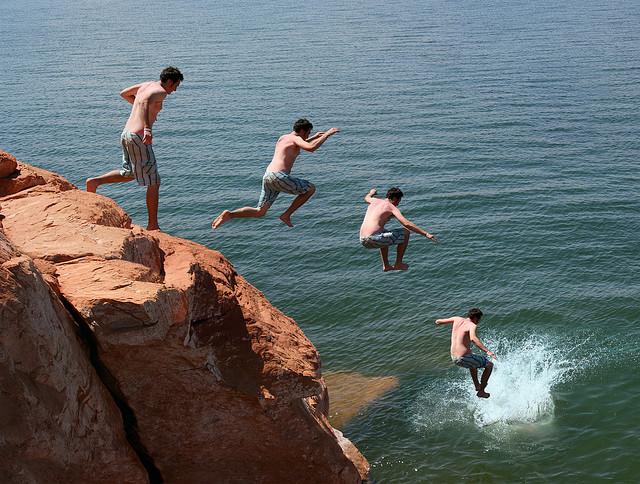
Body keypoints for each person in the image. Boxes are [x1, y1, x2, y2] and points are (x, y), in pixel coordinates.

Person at [86, 66, 183, 231]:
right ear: (170, 81)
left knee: (129, 173)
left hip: (126, 134)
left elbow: (124, 93)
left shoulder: (146, 85)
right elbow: (145, 102)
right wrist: (147, 128)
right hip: (139, 136)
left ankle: (95, 182)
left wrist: (137, 107)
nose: (174, 90)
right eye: (175, 86)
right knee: (154, 180)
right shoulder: (161, 91)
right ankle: (153, 225)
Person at [211, 119, 339, 229]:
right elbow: (311, 148)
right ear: (302, 131)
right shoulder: (295, 139)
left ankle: (230, 214)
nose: (307, 136)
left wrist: (315, 137)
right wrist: (327, 134)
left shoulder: (284, 138)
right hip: (279, 177)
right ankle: (286, 215)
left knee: (260, 212)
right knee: (310, 189)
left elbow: (297, 144)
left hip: (268, 176)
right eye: (308, 133)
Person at [359, 187, 438, 271]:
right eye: (398, 201)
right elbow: (406, 223)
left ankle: (386, 266)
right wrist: (426, 234)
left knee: (384, 232)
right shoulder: (391, 207)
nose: (397, 204)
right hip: (374, 239)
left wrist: (372, 192)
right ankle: (398, 264)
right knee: (406, 232)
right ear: (393, 198)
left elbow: (366, 198)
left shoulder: (375, 201)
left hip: (362, 239)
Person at [435, 308, 496, 398]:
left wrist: (439, 322)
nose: (478, 322)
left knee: (473, 361)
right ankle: (482, 391)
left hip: (454, 357)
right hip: (463, 357)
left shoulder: (456, 319)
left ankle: (477, 386)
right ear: (476, 318)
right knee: (489, 365)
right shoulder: (472, 325)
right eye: (479, 319)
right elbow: (473, 338)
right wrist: (487, 351)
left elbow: (438, 321)